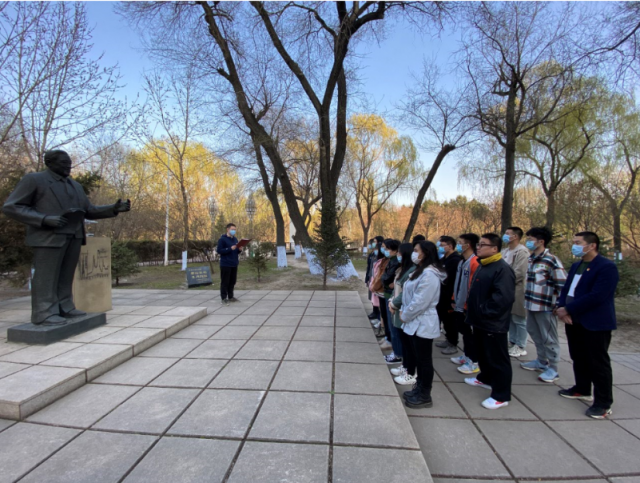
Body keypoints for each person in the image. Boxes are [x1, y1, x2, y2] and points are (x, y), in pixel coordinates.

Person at [2, 150, 130, 325]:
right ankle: (44, 313)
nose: (68, 166)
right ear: (50, 163)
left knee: (65, 276)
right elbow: (12, 206)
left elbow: (88, 210)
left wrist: (113, 209)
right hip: (48, 237)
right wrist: (44, 219)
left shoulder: (75, 186)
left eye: (69, 163)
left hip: (74, 235)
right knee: (46, 277)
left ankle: (65, 307)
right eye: (64, 163)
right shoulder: (35, 180)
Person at [555, 231, 619, 419]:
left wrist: (569, 309)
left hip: (595, 322)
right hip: (573, 320)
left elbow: (598, 296)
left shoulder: (606, 267)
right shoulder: (577, 265)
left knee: (598, 362)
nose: (574, 245)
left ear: (592, 245)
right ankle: (582, 388)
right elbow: (567, 289)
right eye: (573, 241)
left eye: (578, 242)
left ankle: (603, 403)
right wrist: (561, 307)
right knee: (578, 356)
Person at [465, 233, 516, 410]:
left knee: (498, 359)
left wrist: (483, 312)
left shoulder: (502, 269)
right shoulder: (484, 265)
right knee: (483, 354)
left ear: (494, 249)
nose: (478, 247)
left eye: (483, 245)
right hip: (479, 321)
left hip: (493, 323)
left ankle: (501, 395)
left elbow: (502, 298)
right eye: (478, 244)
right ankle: (485, 378)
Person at [399, 241, 446, 408]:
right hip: (415, 321)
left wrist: (405, 315)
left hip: (423, 321)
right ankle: (418, 388)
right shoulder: (420, 270)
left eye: (416, 250)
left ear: (425, 253)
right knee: (419, 359)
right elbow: (409, 295)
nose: (414, 253)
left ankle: (425, 394)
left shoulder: (429, 274)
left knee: (424, 360)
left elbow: (421, 301)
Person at [521, 227, 567, 383]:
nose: (528, 242)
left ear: (541, 242)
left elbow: (562, 283)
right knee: (534, 333)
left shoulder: (551, 260)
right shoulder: (531, 259)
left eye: (531, 239)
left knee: (549, 337)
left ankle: (553, 368)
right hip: (531, 304)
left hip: (546, 307)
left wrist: (560, 305)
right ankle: (541, 361)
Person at [450, 233, 481, 375]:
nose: (458, 245)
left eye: (460, 242)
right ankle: (467, 355)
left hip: (467, 306)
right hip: (459, 303)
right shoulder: (462, 261)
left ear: (468, 245)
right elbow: (458, 283)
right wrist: (454, 299)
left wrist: (467, 304)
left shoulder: (475, 262)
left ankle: (474, 361)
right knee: (464, 332)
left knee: (470, 335)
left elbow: (473, 287)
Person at [388, 243, 418, 385]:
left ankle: (411, 371)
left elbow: (405, 293)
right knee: (404, 341)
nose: (398, 255)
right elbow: (396, 290)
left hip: (403, 311)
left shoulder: (412, 271)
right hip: (397, 309)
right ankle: (405, 366)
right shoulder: (403, 269)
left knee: (408, 344)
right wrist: (391, 301)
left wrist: (394, 303)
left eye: (400, 253)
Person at [501, 226, 530, 358]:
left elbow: (520, 272)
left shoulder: (522, 252)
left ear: (515, 237)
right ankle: (512, 341)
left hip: (517, 288)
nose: (505, 235)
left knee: (519, 318)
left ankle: (521, 345)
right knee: (510, 317)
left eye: (508, 233)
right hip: (505, 288)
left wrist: (504, 281)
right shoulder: (505, 251)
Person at [435, 236, 462, 355]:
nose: (440, 248)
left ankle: (453, 343)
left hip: (449, 295)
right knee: (445, 319)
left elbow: (450, 278)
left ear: (450, 246)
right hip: (441, 294)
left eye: (442, 245)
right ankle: (448, 339)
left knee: (451, 320)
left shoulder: (455, 260)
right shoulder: (444, 259)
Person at [381, 239, 402, 364]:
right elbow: (384, 278)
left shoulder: (397, 264)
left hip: (394, 299)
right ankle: (396, 351)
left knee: (394, 327)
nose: (384, 250)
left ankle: (398, 354)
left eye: (386, 248)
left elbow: (387, 278)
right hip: (390, 296)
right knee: (391, 325)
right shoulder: (391, 261)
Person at [217, 223, 243, 306]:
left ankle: (231, 296)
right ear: (227, 229)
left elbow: (236, 251)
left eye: (235, 229)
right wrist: (229, 248)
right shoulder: (222, 239)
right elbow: (219, 251)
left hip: (234, 263)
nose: (234, 231)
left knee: (232, 281)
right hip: (225, 264)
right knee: (225, 282)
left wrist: (239, 250)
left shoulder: (235, 239)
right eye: (232, 229)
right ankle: (224, 298)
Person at [365, 236, 384, 321]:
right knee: (372, 296)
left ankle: (378, 315)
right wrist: (367, 278)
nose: (373, 243)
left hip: (377, 279)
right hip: (371, 277)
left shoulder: (380, 256)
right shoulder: (372, 254)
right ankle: (375, 312)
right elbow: (369, 267)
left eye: (375, 241)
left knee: (377, 298)